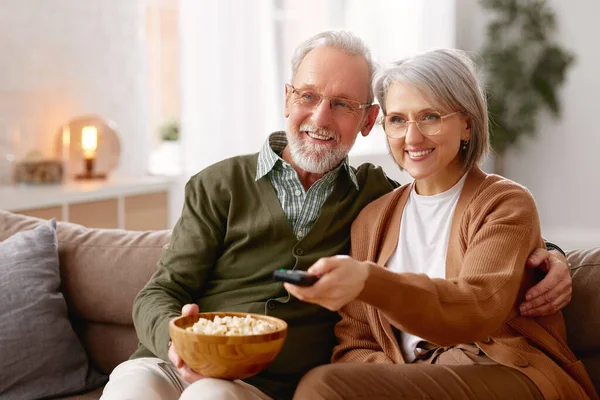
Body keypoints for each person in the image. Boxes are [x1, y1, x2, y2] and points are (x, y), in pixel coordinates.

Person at [100, 32, 573, 400]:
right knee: (134, 388)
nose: (321, 118)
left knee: (215, 394)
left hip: (257, 385)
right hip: (174, 360)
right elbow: (163, 290)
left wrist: (550, 256)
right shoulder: (226, 186)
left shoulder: (368, 196)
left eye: (343, 105)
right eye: (308, 96)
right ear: (288, 99)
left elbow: (482, 263)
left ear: (365, 120)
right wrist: (177, 341)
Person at [286, 49, 598, 400]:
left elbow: (476, 308)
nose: (412, 137)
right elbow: (355, 344)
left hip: (501, 370)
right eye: (398, 120)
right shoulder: (372, 220)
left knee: (322, 386)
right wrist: (396, 379)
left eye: (430, 117)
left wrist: (369, 281)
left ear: (466, 123)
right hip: (416, 381)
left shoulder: (504, 202)